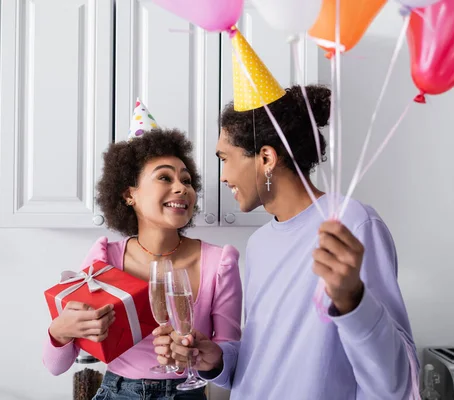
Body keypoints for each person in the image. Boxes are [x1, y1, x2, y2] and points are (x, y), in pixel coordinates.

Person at [155, 84, 420, 399]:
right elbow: (263, 358)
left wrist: (354, 301)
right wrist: (217, 360)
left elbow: (399, 381)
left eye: (225, 159)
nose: (223, 176)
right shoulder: (259, 244)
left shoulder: (352, 224)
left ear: (266, 157)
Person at [43, 100, 243, 400]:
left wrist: (209, 356)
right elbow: (56, 366)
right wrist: (60, 331)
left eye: (186, 180)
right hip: (117, 391)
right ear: (128, 194)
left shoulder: (220, 262)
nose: (182, 188)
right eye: (165, 177)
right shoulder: (105, 258)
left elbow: (229, 371)